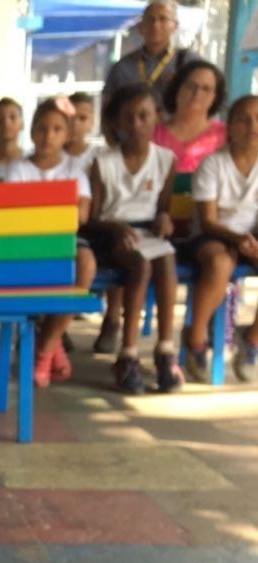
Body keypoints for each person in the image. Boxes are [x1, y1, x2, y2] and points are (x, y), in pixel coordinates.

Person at [87, 83, 182, 395]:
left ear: (157, 117)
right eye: (128, 117)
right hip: (110, 235)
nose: (137, 124)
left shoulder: (166, 160)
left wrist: (164, 217)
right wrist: (116, 228)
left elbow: (162, 208)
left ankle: (165, 350)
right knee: (140, 266)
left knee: (167, 259)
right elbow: (92, 218)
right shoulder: (103, 162)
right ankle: (127, 354)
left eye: (144, 115)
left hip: (147, 234)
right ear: (117, 123)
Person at [7, 100, 97, 388]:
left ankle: (45, 347)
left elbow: (80, 215)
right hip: (27, 244)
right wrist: (56, 206)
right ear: (32, 132)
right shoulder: (18, 169)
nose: (48, 136)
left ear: (67, 135)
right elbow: (14, 214)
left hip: (65, 240)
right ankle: (51, 346)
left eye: (57, 129)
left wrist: (40, 207)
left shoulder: (75, 170)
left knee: (85, 265)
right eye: (42, 129)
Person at [183, 95, 258, 382]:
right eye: (244, 120)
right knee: (219, 263)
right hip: (211, 236)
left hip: (249, 237)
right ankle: (195, 339)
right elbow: (208, 221)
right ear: (230, 127)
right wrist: (239, 240)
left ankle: (252, 340)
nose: (252, 126)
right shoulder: (213, 164)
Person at [102, 1, 199, 111]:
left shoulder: (188, 62)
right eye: (150, 19)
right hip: (133, 121)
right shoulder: (122, 68)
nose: (155, 25)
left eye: (163, 19)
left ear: (175, 26)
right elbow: (107, 111)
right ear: (140, 26)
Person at [153, 61, 227, 172]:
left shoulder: (227, 136)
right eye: (191, 86)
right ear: (177, 89)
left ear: (215, 97)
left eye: (206, 89)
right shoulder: (153, 135)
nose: (197, 93)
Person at [66, 92, 98, 168]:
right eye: (70, 117)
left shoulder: (98, 156)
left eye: (82, 118)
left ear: (92, 122)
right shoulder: (50, 154)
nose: (75, 123)